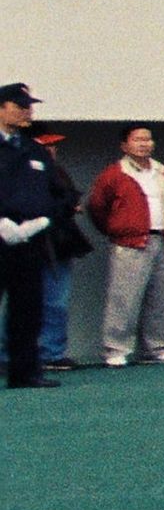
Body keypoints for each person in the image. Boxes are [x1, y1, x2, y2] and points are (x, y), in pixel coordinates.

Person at [83, 120, 164, 365]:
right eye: (138, 140)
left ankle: (155, 347)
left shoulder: (162, 171)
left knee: (161, 297)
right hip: (129, 242)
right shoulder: (114, 174)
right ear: (124, 145)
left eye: (148, 139)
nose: (144, 144)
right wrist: (117, 229)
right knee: (124, 297)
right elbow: (97, 206)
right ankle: (116, 349)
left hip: (162, 238)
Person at [0, 83, 64, 389]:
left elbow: (59, 193)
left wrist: (41, 220)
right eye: (20, 105)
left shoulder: (33, 149)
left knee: (27, 309)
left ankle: (24, 372)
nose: (29, 111)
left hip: (29, 241)